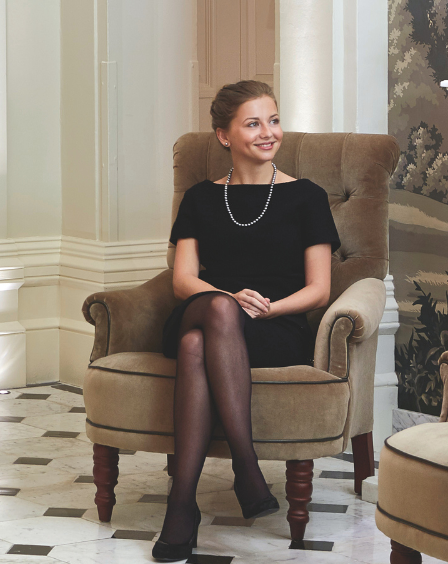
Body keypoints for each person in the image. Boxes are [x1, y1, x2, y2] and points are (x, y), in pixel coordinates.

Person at [151, 80, 340, 561]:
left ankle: (181, 507)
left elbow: (320, 289)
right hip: (205, 306)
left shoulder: (308, 197)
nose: (268, 132)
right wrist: (228, 298)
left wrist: (271, 308)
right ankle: (246, 464)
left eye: (273, 120)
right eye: (253, 123)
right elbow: (183, 281)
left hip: (273, 325)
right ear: (224, 136)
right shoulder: (200, 198)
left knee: (196, 347)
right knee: (215, 309)